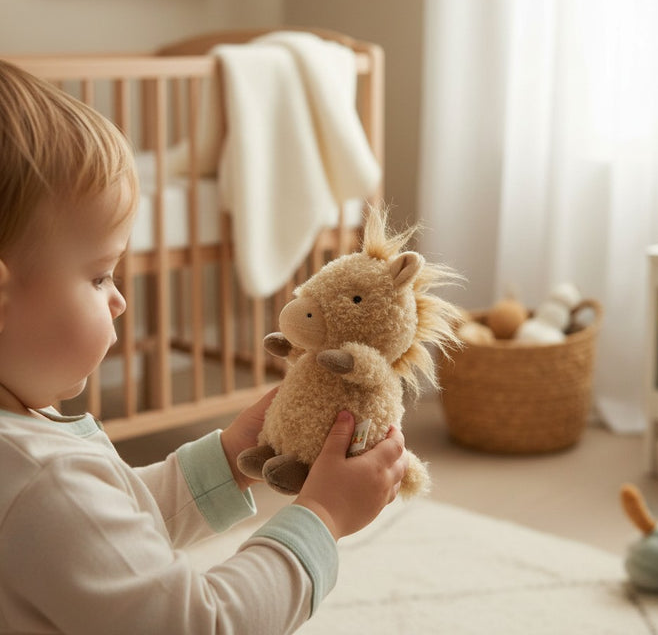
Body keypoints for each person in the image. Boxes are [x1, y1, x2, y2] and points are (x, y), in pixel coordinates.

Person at [0, 60, 408, 635]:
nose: (119, 301)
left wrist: (225, 460)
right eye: (99, 277)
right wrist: (323, 515)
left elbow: (105, 535)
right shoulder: (45, 481)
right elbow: (204, 625)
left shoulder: (29, 468)